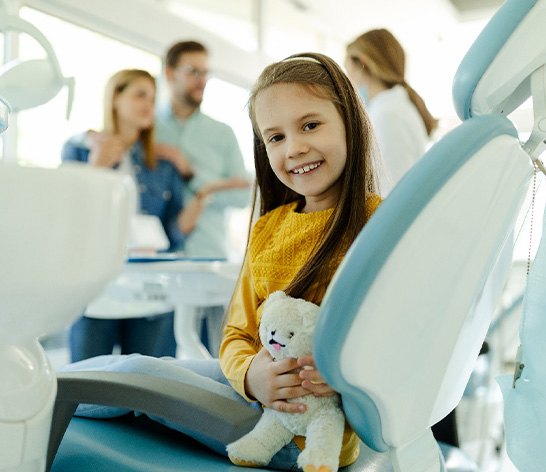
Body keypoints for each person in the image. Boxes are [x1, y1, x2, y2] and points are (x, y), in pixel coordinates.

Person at [61, 52, 381, 470]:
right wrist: (250, 375)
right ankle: (38, 392)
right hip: (256, 392)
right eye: (275, 137)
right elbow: (236, 333)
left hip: (297, 434)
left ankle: (36, 396)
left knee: (142, 375)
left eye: (310, 125)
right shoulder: (269, 228)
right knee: (149, 366)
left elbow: (395, 339)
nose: (295, 147)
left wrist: (343, 376)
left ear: (350, 123)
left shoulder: (379, 224)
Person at [62, 69, 208, 362]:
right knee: (87, 389)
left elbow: (171, 234)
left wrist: (198, 204)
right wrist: (97, 167)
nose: (148, 105)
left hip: (151, 288)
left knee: (148, 389)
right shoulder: (80, 149)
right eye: (140, 94)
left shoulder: (163, 164)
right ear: (115, 98)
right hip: (96, 287)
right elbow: (68, 216)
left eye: (153, 98)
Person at [155, 40, 251, 356]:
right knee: (159, 363)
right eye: (193, 71)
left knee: (216, 361)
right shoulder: (148, 128)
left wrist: (196, 181)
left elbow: (242, 194)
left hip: (209, 261)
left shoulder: (222, 133)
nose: (201, 80)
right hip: (158, 263)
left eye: (206, 73)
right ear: (170, 72)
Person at [345, 28, 438, 197]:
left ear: (363, 63)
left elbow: (393, 190)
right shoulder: (391, 107)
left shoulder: (387, 115)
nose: (349, 80)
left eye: (349, 70)